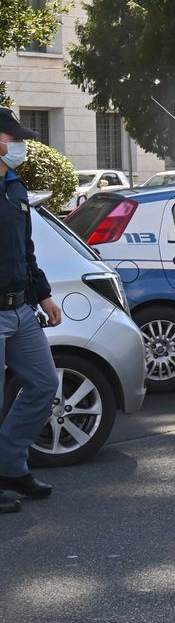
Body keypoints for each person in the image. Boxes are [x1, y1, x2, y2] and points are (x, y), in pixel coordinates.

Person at [0, 107, 62, 515]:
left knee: (44, 384)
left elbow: (26, 250)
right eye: (14, 139)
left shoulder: (15, 187)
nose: (20, 146)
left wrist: (43, 295)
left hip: (20, 307)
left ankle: (9, 466)